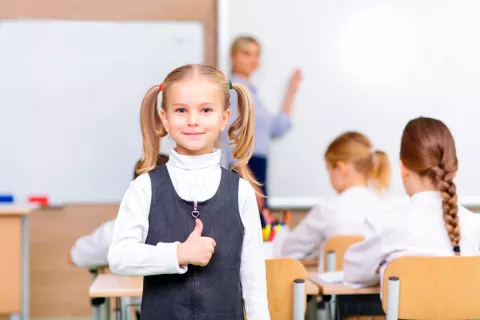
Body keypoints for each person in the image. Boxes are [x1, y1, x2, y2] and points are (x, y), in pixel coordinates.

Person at [107, 64, 270, 320]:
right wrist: (178, 253)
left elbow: (253, 281)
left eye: (206, 110)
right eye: (181, 110)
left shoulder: (241, 192)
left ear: (224, 118)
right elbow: (119, 257)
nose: (193, 120)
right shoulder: (144, 187)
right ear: (165, 118)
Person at [342, 117, 480, 317]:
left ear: (403, 168)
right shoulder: (475, 225)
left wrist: (385, 269)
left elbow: (352, 275)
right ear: (453, 171)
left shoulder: (385, 223)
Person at [278, 131, 391, 270]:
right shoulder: (386, 208)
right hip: (378, 290)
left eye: (329, 170)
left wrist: (318, 251)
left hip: (332, 290)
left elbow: (288, 251)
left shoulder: (327, 209)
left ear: (341, 169)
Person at [221, 35, 302, 213]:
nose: (253, 60)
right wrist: (248, 179)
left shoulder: (253, 94)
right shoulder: (235, 92)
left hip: (257, 166)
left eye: (257, 54)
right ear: (233, 56)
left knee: (261, 231)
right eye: (246, 53)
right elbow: (232, 138)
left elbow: (277, 127)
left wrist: (292, 90)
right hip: (245, 168)